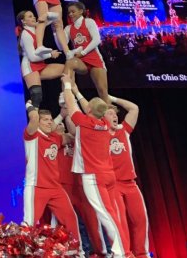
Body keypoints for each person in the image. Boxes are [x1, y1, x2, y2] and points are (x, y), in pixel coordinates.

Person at [62, 77, 130, 258]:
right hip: (108, 175)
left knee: (106, 215)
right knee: (110, 213)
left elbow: (70, 104)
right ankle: (121, 250)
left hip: (94, 177)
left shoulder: (84, 122)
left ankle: (120, 252)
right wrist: (77, 91)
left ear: (89, 110)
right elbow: (88, 108)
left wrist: (67, 84)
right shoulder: (105, 123)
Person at [22, 101, 82, 250]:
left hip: (55, 188)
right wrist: (30, 105)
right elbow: (34, 119)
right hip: (36, 187)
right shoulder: (32, 135)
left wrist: (65, 113)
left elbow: (74, 136)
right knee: (29, 224)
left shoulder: (55, 138)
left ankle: (77, 251)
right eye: (46, 120)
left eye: (50, 120)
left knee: (70, 218)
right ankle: (22, 252)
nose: (49, 122)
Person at [106, 96, 149, 258]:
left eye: (115, 114)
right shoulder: (99, 135)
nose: (114, 116)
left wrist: (111, 98)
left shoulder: (123, 130)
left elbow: (134, 108)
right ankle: (125, 254)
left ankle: (141, 254)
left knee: (140, 219)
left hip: (130, 183)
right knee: (120, 221)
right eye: (109, 114)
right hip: (113, 185)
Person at [62, 2, 111, 104]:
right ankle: (65, 95)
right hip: (80, 60)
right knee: (70, 63)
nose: (70, 14)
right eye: (69, 12)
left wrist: (83, 52)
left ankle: (109, 115)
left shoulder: (89, 22)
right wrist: (55, 32)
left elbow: (97, 40)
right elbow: (60, 45)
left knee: (102, 91)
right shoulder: (68, 28)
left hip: (94, 58)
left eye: (73, 11)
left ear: (81, 11)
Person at [17, 10, 65, 107]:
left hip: (40, 65)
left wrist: (45, 14)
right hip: (30, 67)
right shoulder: (26, 34)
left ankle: (65, 97)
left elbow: (57, 16)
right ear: (23, 21)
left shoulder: (38, 28)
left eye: (34, 16)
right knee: (37, 97)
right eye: (30, 17)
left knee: (67, 69)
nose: (34, 18)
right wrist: (50, 55)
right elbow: (32, 57)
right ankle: (33, 116)